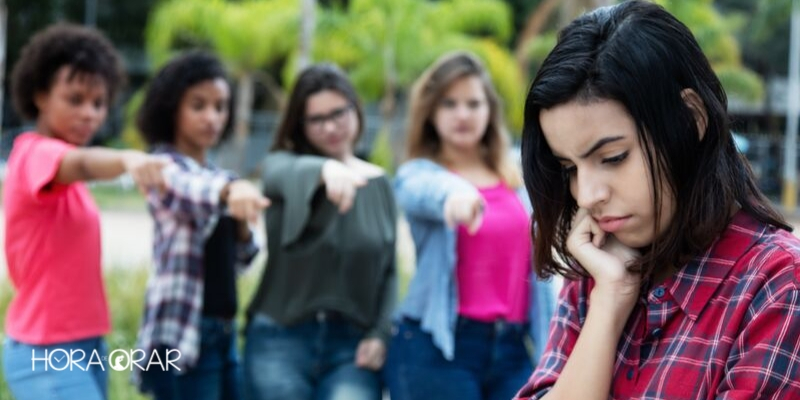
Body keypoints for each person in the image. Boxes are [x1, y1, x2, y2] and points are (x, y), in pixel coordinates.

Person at [514, 1, 800, 399]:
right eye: (569, 169)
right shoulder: (600, 266)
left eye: (613, 158)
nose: (588, 195)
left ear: (690, 120)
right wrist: (609, 303)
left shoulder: (778, 284)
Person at [1, 23, 168, 400]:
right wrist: (127, 158)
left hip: (86, 342)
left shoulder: (67, 182)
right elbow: (83, 164)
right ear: (40, 95)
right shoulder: (35, 153)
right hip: (44, 348)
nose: (89, 114)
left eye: (98, 103)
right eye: (74, 99)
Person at [385, 51, 557, 400]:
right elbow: (426, 192)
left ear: (489, 110)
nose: (462, 114)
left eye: (473, 103)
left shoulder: (517, 173)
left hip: (512, 348)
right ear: (431, 112)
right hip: (437, 346)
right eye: (449, 103)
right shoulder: (419, 174)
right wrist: (456, 196)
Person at [243, 63, 397, 400]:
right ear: (300, 125)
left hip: (351, 349)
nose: (330, 127)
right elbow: (280, 173)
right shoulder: (282, 166)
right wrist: (326, 170)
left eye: (338, 113)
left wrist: (379, 334)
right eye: (316, 119)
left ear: (355, 108)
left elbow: (388, 272)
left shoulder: (380, 183)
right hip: (279, 338)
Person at [132, 50, 270, 400]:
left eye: (220, 106)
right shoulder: (161, 167)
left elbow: (243, 258)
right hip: (180, 334)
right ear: (172, 108)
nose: (212, 117)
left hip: (222, 331)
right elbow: (189, 191)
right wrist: (232, 191)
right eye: (198, 105)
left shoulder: (218, 175)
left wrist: (240, 223)